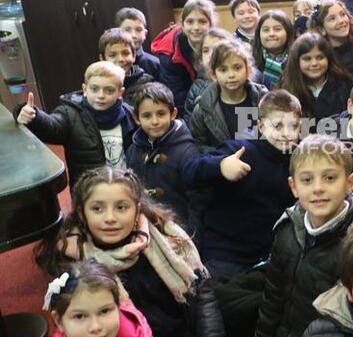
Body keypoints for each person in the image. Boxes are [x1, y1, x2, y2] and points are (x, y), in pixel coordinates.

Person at [35, 166, 249, 337]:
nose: (110, 218)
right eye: (97, 209)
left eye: (121, 207)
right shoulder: (75, 264)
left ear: (137, 210)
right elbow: (93, 336)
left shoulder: (164, 236)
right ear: (82, 213)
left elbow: (201, 290)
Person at [248, 134, 353, 337]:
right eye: (307, 180)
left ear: (350, 183)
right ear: (294, 186)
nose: (318, 188)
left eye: (329, 178)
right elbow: (272, 302)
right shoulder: (287, 229)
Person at [183, 90, 301, 277]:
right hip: (226, 255)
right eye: (277, 126)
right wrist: (220, 165)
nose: (286, 134)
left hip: (269, 257)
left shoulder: (298, 161)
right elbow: (190, 172)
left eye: (293, 126)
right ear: (261, 127)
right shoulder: (240, 149)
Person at [14, 260, 175, 337]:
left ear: (119, 308)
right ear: (59, 321)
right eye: (80, 316)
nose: (95, 327)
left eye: (104, 311)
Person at [15, 61, 135, 190]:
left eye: (109, 90)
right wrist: (34, 117)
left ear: (120, 92)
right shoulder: (70, 114)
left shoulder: (129, 114)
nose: (101, 95)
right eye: (94, 89)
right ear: (84, 89)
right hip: (89, 191)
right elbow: (52, 127)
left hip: (125, 186)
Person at [126, 82, 202, 236]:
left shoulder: (187, 152)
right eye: (147, 115)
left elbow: (197, 201)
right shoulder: (133, 150)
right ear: (137, 118)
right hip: (146, 227)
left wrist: (193, 239)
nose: (154, 121)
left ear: (173, 114)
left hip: (179, 229)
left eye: (161, 114)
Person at [189, 37, 267, 152]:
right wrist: (222, 159)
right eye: (223, 70)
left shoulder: (263, 99)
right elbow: (197, 145)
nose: (231, 75)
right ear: (213, 74)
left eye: (237, 68)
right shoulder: (202, 108)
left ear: (248, 70)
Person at [151, 0, 218, 109]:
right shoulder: (169, 56)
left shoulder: (221, 42)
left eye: (202, 21)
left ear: (211, 24)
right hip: (192, 105)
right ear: (182, 25)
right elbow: (177, 98)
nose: (196, 27)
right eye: (190, 22)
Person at [277, 32, 353, 121]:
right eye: (307, 59)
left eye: (320, 58)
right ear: (296, 62)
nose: (314, 63)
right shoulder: (286, 88)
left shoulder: (345, 84)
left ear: (328, 58)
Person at [182, 27, 230, 123]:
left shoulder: (241, 82)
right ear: (200, 58)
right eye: (206, 50)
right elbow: (191, 125)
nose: (211, 54)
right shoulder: (197, 89)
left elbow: (247, 131)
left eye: (217, 48)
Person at [98, 28, 155, 108]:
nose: (120, 59)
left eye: (125, 53)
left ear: (134, 55)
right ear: (102, 58)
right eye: (112, 55)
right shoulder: (97, 85)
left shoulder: (147, 83)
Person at [308, 0, 353, 76]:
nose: (341, 21)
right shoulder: (321, 56)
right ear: (321, 29)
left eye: (343, 14)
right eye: (332, 19)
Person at [253, 10, 294, 89]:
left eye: (277, 29)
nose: (271, 34)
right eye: (266, 30)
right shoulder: (250, 59)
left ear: (288, 32)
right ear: (259, 34)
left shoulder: (297, 57)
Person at [116, 7, 161, 79]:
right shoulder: (110, 63)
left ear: (145, 34)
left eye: (138, 30)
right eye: (127, 30)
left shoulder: (154, 64)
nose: (133, 35)